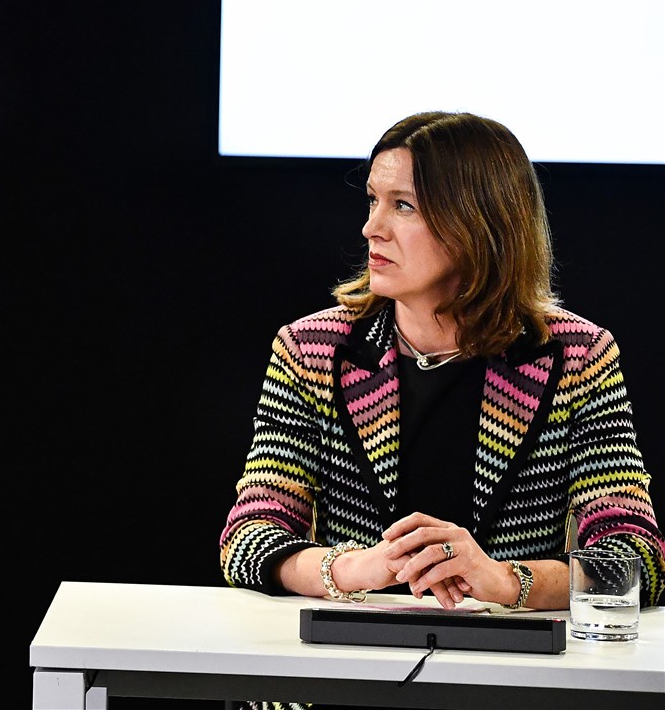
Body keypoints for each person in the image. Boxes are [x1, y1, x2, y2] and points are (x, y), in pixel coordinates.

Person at [220, 111, 661, 618]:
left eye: (402, 206)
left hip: (507, 673)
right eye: (372, 200)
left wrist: (502, 578)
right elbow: (248, 540)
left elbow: (636, 560)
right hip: (345, 667)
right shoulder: (313, 348)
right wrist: (358, 568)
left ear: (477, 223)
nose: (371, 228)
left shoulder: (577, 355)